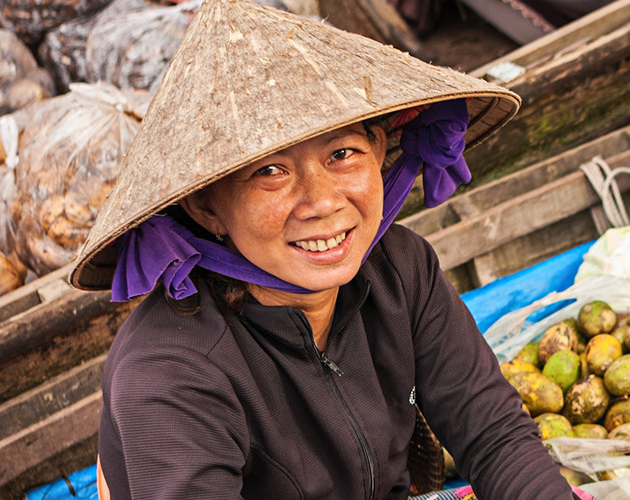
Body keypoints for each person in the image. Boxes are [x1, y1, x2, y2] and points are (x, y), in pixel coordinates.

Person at [64, 0, 582, 497]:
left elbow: (495, 437)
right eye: (270, 171)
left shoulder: (403, 271)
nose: (321, 201)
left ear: (379, 150)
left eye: (342, 153)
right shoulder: (170, 374)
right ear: (206, 209)